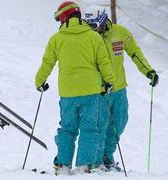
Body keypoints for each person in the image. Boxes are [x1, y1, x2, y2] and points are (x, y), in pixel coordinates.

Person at [34, 1, 116, 175]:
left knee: (67, 128)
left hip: (68, 93)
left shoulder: (57, 39)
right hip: (90, 92)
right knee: (90, 129)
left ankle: (63, 165)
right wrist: (109, 81)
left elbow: (47, 62)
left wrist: (39, 82)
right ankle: (84, 166)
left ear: (64, 17)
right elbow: (104, 62)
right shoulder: (94, 37)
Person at [84, 7, 159, 172]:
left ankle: (107, 155)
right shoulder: (87, 38)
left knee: (119, 122)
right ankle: (99, 162)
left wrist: (148, 71)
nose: (93, 29)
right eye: (89, 25)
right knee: (100, 125)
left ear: (104, 19)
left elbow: (135, 53)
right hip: (98, 91)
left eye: (95, 25)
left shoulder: (120, 32)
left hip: (118, 88)